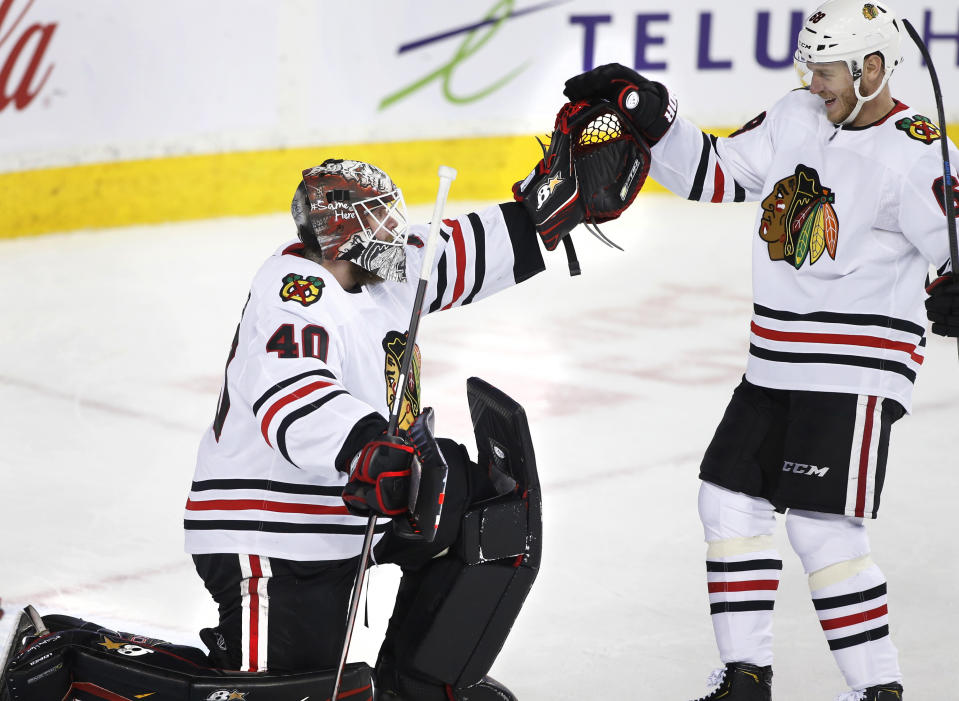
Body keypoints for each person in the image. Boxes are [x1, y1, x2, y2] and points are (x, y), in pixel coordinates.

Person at [561, 1, 959, 700]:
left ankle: (877, 688)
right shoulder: (796, 115)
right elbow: (714, 173)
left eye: (826, 69)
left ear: (872, 68)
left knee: (820, 526)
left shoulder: (915, 150)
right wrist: (652, 117)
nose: (813, 82)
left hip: (857, 365)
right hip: (775, 357)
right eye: (808, 67)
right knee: (726, 500)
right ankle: (745, 674)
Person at [184, 158, 558, 700]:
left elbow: (451, 253)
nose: (395, 233)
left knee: (474, 506)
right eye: (381, 221)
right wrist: (365, 448)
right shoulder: (294, 293)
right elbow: (293, 393)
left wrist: (541, 215)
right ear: (344, 231)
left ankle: (417, 686)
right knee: (288, 693)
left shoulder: (381, 279)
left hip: (340, 514)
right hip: (271, 533)